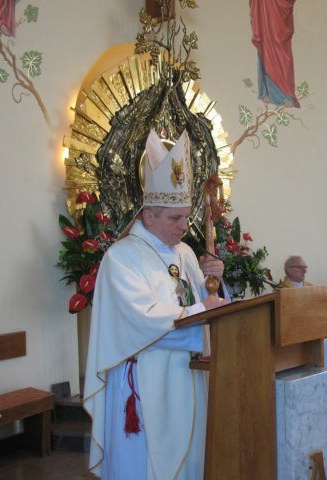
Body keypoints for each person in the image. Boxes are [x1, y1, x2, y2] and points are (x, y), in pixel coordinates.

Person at [83, 129, 229, 479]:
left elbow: (205, 305)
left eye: (186, 216)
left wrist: (215, 281)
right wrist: (203, 310)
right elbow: (143, 319)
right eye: (175, 219)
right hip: (145, 381)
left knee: (190, 461)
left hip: (187, 377)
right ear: (148, 217)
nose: (184, 226)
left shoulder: (186, 253)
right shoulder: (122, 258)